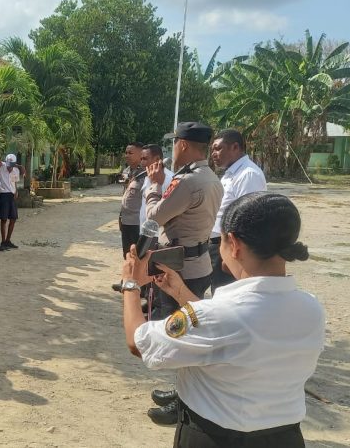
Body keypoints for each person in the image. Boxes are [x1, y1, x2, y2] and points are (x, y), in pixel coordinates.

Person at [119, 192, 324, 447]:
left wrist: (130, 283)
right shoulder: (311, 307)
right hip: (284, 437)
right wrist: (180, 292)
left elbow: (139, 343)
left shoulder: (217, 315)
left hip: (216, 438)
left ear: (235, 244)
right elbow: (225, 325)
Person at [143, 122, 223, 425]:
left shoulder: (189, 181)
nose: (171, 149)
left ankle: (185, 404)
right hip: (198, 263)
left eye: (174, 143)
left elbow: (155, 216)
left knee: (180, 335)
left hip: (181, 270)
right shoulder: (208, 177)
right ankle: (181, 395)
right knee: (187, 330)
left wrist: (154, 188)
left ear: (184, 145)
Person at [209, 129, 267, 294]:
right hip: (218, 244)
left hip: (230, 246)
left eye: (218, 148)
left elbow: (247, 218)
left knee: (226, 294)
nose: (213, 153)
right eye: (212, 149)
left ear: (235, 147)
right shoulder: (230, 173)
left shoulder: (248, 174)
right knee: (218, 292)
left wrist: (234, 253)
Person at [119, 143, 145, 258]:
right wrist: (121, 216)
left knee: (138, 255)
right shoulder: (126, 171)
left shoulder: (147, 173)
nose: (127, 155)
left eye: (130, 153)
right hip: (126, 220)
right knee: (127, 253)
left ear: (140, 154)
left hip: (138, 222)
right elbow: (126, 195)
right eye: (126, 152)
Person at [139, 144, 173, 225]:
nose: (142, 162)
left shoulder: (169, 179)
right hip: (145, 230)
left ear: (157, 159)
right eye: (141, 159)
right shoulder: (148, 176)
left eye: (145, 159)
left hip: (157, 233)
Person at [0, 153, 24, 250]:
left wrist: (16, 191)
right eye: (8, 164)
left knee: (13, 218)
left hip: (12, 195)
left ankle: (8, 240)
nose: (9, 167)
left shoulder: (16, 171)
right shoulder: (2, 167)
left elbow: (15, 182)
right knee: (4, 219)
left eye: (12, 165)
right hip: (4, 194)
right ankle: (3, 241)